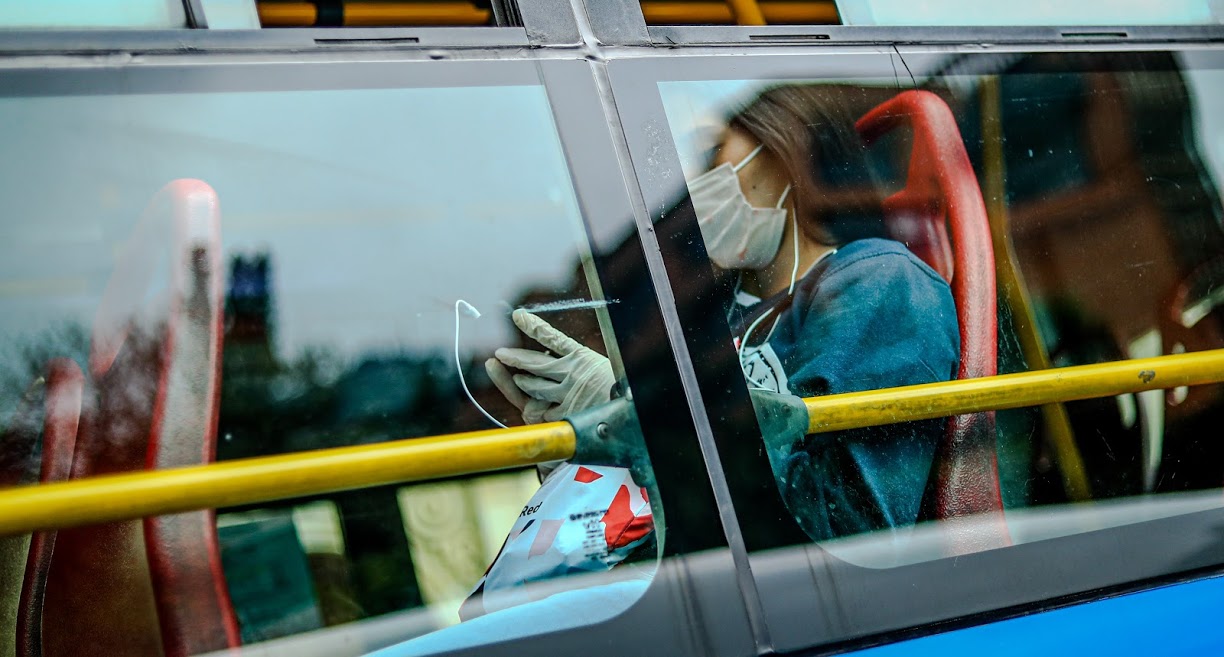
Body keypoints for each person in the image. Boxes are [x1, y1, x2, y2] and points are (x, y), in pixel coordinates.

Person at [488, 85, 960, 542]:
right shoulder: (720, 312)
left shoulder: (878, 285)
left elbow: (844, 527)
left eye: (716, 167)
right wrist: (598, 447)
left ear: (785, 157)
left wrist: (635, 423)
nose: (700, 194)